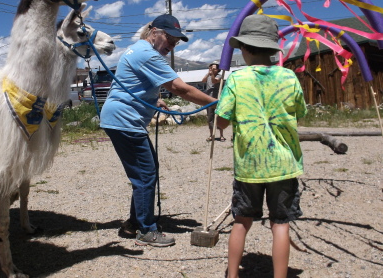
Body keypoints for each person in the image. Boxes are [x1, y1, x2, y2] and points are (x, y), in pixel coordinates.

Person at [100, 14, 217, 247]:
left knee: (146, 171)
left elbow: (131, 83)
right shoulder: (147, 54)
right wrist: (216, 104)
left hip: (120, 118)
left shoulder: (137, 50)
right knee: (145, 173)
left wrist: (154, 101)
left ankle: (135, 223)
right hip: (125, 121)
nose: (171, 46)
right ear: (153, 31)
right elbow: (178, 88)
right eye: (170, 40)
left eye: (175, 43)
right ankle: (145, 230)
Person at [215, 15, 307, 278]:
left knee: (241, 222)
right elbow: (299, 112)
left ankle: (232, 275)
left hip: (249, 166)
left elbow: (221, 122)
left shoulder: (236, 79)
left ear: (243, 48)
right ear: (273, 49)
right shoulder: (289, 77)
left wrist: (222, 125)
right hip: (284, 164)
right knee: (281, 223)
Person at [202, 61, 225, 142]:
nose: (212, 69)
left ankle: (221, 135)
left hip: (217, 99)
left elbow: (214, 81)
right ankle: (211, 135)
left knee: (219, 117)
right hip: (209, 100)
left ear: (218, 69)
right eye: (211, 67)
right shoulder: (209, 75)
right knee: (210, 118)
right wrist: (208, 73)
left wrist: (212, 75)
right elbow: (203, 81)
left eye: (214, 68)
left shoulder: (220, 76)